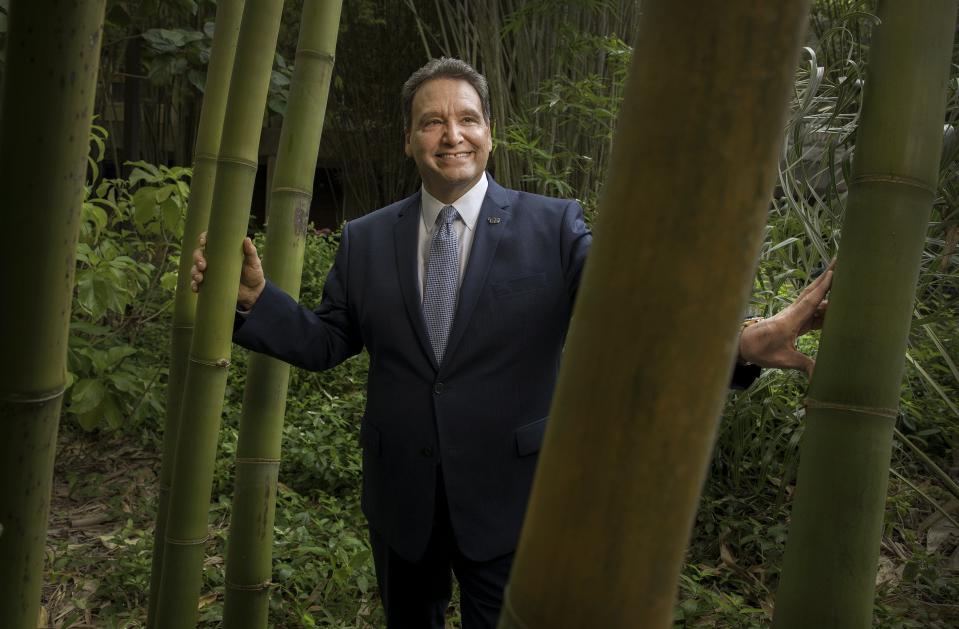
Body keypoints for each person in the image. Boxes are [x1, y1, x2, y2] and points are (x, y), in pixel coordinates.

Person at [191, 58, 833, 628]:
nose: (452, 135)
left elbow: (630, 319)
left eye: (467, 119)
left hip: (509, 499)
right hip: (402, 496)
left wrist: (742, 342)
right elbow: (329, 341)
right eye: (432, 122)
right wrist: (254, 304)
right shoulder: (364, 239)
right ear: (409, 140)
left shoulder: (553, 226)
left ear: (489, 133)